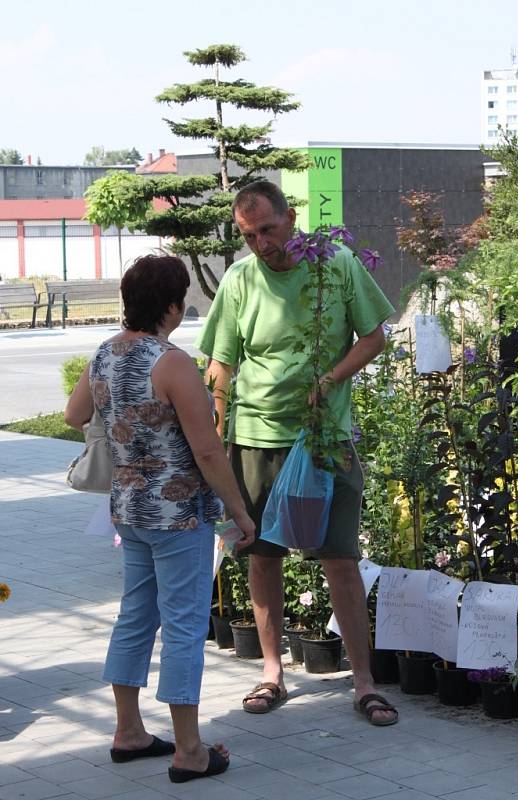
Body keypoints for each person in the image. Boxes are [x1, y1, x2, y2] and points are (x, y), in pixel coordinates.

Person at [197, 181, 398, 726]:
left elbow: (375, 336)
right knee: (261, 555)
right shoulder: (240, 280)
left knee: (340, 558)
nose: (261, 244)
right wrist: (215, 433)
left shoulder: (335, 264)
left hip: (324, 439)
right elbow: (220, 363)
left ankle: (363, 682)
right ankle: (271, 671)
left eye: (267, 229)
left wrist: (332, 378)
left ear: (291, 217)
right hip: (257, 437)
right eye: (249, 235)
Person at [65, 254, 255, 783]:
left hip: (129, 509)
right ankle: (190, 750)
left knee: (134, 617)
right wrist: (239, 512)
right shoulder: (171, 362)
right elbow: (209, 452)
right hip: (179, 515)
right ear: (172, 306)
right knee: (184, 626)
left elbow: (73, 414)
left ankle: (128, 731)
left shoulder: (104, 354)